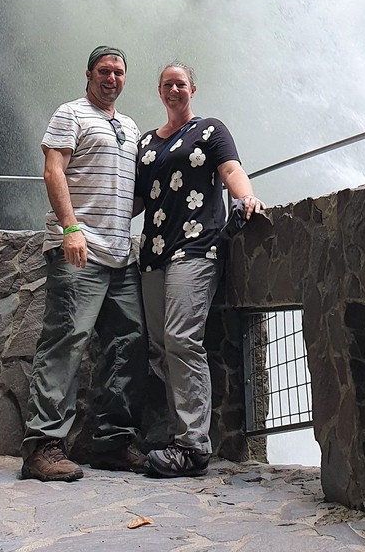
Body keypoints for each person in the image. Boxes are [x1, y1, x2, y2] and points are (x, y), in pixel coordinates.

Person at [21, 46, 148, 482]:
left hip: (119, 254)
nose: (111, 78)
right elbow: (53, 171)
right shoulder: (70, 114)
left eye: (118, 72)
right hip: (78, 248)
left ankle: (111, 442)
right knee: (66, 340)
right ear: (89, 74)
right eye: (104, 71)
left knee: (128, 342)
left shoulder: (129, 127)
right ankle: (43, 447)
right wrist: (70, 229)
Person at [136, 63, 265, 478]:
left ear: (193, 88)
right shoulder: (146, 143)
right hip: (153, 253)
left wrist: (247, 197)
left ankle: (193, 446)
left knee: (181, 338)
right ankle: (180, 437)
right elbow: (136, 200)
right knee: (159, 346)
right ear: (159, 91)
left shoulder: (210, 130)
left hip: (195, 246)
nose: (174, 90)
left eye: (181, 83)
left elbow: (229, 170)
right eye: (167, 84)